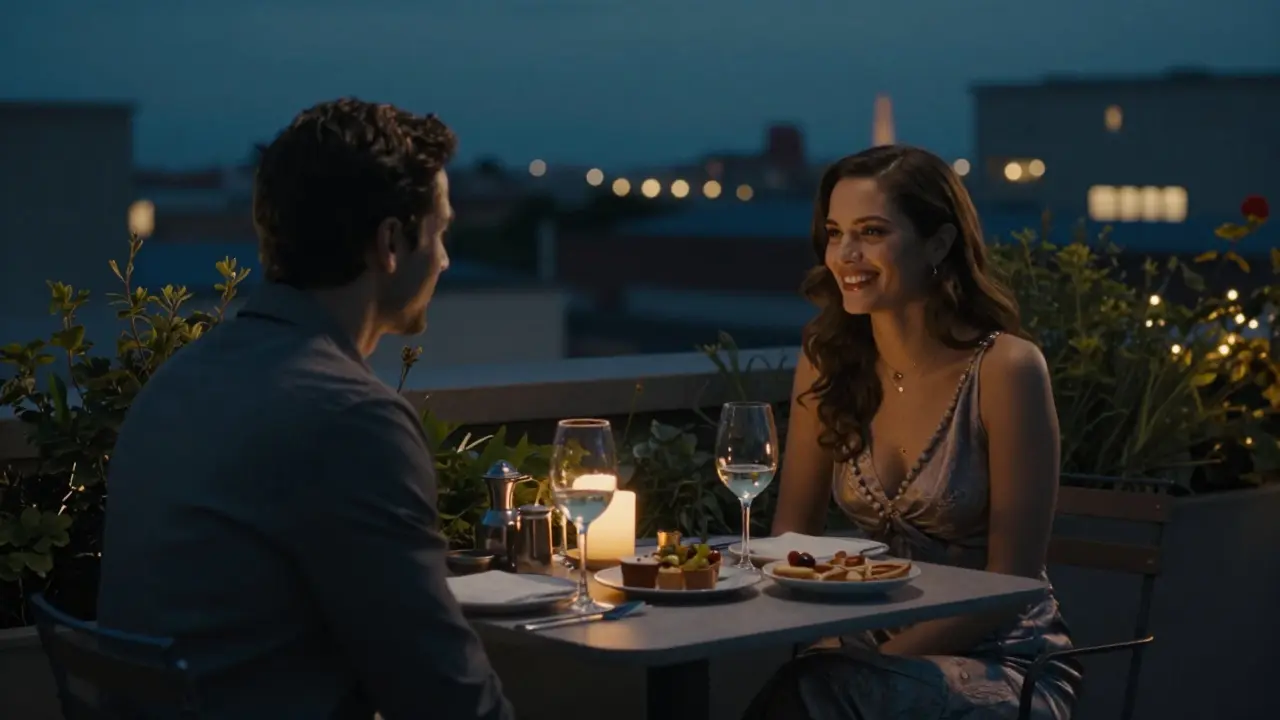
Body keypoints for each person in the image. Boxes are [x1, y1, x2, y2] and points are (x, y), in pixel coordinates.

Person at [96, 99, 513, 720]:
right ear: (391, 242)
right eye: (441, 230)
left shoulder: (182, 380)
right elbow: (446, 698)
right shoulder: (352, 420)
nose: (447, 259)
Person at [744, 145, 1080, 719]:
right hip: (862, 650)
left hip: (1005, 664)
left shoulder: (1005, 369)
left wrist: (868, 656)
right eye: (834, 232)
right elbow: (790, 539)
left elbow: (1012, 584)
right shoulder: (828, 362)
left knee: (810, 694)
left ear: (939, 244)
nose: (846, 254)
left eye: (871, 231)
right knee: (814, 689)